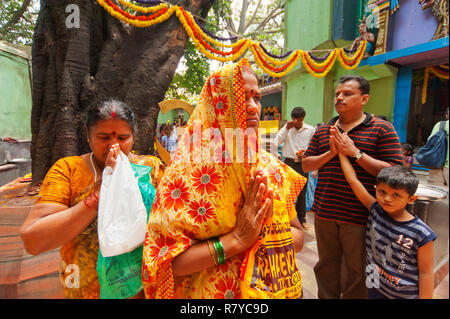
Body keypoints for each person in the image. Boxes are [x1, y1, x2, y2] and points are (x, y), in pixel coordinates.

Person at [141, 59, 307, 299]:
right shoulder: (183, 178)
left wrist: (266, 234)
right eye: (242, 96)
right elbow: (165, 263)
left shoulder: (272, 169)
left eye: (257, 98)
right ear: (216, 105)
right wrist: (237, 240)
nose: (252, 107)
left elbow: (298, 236)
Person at [20, 100, 165, 299]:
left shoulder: (151, 169)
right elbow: (33, 241)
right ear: (88, 137)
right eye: (104, 137)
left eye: (123, 137)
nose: (114, 145)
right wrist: (103, 192)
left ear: (134, 137)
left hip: (144, 290)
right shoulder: (70, 171)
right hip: (85, 289)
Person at [302, 75, 403, 299]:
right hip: (325, 212)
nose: (340, 97)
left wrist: (354, 152)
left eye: (348, 94)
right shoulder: (323, 129)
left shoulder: (381, 129)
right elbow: (306, 164)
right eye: (338, 93)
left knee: (357, 271)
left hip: (361, 215)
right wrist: (331, 153)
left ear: (364, 98)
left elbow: (395, 171)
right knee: (326, 266)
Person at [337, 148, 436, 299]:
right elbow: (353, 180)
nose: (387, 199)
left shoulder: (421, 233)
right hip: (374, 286)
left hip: (404, 295)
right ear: (375, 189)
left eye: (396, 195)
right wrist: (341, 152)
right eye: (382, 192)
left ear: (411, 199)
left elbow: (426, 273)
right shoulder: (375, 209)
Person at [275, 107, 315, 230]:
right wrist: (286, 127)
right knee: (286, 190)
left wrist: (306, 152)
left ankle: (302, 218)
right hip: (289, 163)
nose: (297, 123)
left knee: (302, 191)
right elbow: (275, 141)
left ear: (303, 119)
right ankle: (286, 217)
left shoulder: (310, 130)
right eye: (295, 120)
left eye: (300, 120)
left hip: (303, 162)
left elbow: (313, 146)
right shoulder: (287, 129)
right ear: (293, 119)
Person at [427, 107, 449, 186]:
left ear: (447, 115)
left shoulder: (441, 125)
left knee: (436, 193)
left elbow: (430, 142)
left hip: (438, 166)